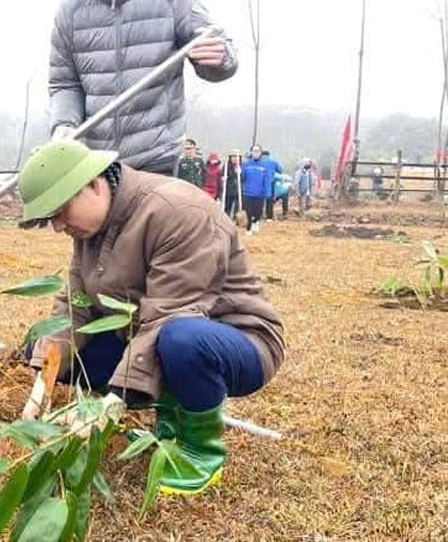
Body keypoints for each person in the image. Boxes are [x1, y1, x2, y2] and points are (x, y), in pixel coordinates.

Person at [17, 140, 284, 495]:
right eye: (50, 218)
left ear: (95, 184)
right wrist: (44, 379)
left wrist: (111, 403)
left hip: (233, 340)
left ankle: (200, 451)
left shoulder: (178, 212)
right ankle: (168, 423)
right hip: (149, 339)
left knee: (180, 339)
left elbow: (169, 313)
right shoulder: (90, 230)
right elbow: (74, 308)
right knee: (48, 347)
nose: (57, 226)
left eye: (60, 212)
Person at [48, 0, 237, 175]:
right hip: (99, 167)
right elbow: (64, 84)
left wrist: (219, 59)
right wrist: (63, 125)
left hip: (160, 162)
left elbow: (220, 50)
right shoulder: (70, 14)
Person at [241, 146, 272, 235]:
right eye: (254, 151)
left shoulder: (264, 166)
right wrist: (239, 172)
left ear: (260, 153)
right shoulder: (246, 165)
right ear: (251, 152)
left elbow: (267, 179)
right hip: (248, 192)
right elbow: (242, 178)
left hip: (259, 193)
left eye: (257, 151)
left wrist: (267, 192)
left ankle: (255, 221)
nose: (255, 153)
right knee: (248, 211)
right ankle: (249, 228)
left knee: (258, 211)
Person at [261, 150, 283, 221]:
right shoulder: (273, 162)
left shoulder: (258, 161)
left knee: (259, 200)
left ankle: (259, 216)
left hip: (260, 183)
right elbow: (280, 170)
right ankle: (269, 217)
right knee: (270, 200)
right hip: (270, 182)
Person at [223, 149, 243, 221]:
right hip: (229, 189)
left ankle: (236, 219)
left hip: (239, 190)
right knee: (228, 205)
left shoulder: (242, 166)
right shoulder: (226, 166)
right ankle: (226, 219)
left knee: (237, 206)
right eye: (233, 157)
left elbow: (244, 178)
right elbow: (223, 175)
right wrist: (223, 179)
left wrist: (240, 173)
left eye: (236, 157)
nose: (234, 159)